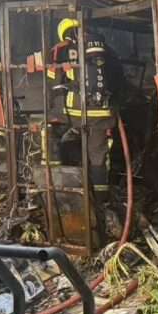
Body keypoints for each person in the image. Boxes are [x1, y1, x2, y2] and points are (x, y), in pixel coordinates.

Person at [48, 18, 123, 232]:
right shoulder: (105, 49)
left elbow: (53, 81)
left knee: (53, 143)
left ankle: (59, 193)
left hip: (73, 114)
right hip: (101, 115)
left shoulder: (60, 50)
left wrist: (56, 108)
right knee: (98, 158)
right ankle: (101, 204)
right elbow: (118, 78)